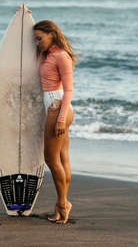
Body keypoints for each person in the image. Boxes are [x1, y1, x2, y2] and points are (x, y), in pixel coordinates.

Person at [33, 19, 78, 224]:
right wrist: (25, 16)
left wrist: (60, 119)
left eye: (39, 38)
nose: (37, 42)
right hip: (55, 107)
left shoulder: (61, 56)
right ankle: (62, 204)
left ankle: (62, 203)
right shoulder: (46, 54)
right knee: (62, 158)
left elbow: (68, 90)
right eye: (35, 39)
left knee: (51, 159)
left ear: (51, 34)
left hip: (58, 108)